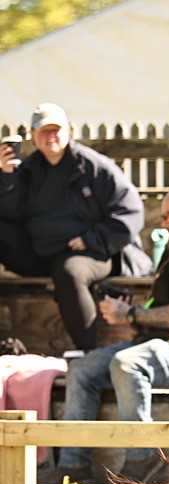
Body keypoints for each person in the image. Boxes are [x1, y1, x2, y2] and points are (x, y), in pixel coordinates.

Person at [48, 185, 169, 484]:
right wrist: (134, 309)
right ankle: (73, 467)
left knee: (127, 363)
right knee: (82, 369)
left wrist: (130, 315)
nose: (164, 222)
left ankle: (143, 457)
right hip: (167, 341)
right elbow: (163, 309)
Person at [0, 103, 152, 352]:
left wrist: (91, 239)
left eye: (56, 130)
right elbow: (12, 213)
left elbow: (130, 212)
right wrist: (7, 176)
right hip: (42, 251)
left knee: (69, 271)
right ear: (32, 136)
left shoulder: (95, 167)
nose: (51, 137)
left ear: (69, 131)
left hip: (98, 252)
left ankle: (88, 352)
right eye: (43, 131)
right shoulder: (28, 169)